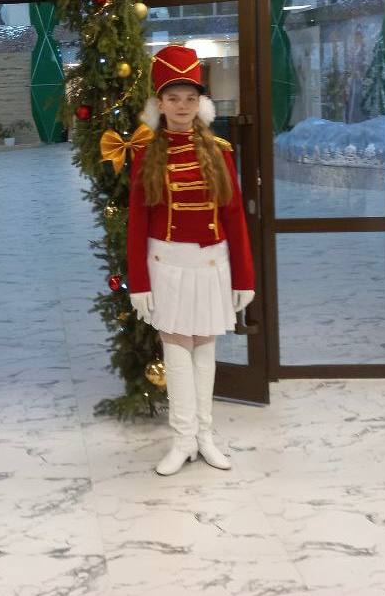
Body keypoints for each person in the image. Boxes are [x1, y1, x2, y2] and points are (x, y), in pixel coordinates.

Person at [126, 45, 255, 476]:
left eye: (189, 98)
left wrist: (245, 276)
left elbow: (234, 216)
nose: (182, 106)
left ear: (201, 103)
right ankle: (182, 439)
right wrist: (139, 282)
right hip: (167, 263)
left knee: (205, 347)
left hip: (212, 263)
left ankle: (205, 436)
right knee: (177, 348)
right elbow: (137, 222)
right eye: (173, 98)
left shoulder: (219, 150)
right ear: (159, 104)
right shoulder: (145, 152)